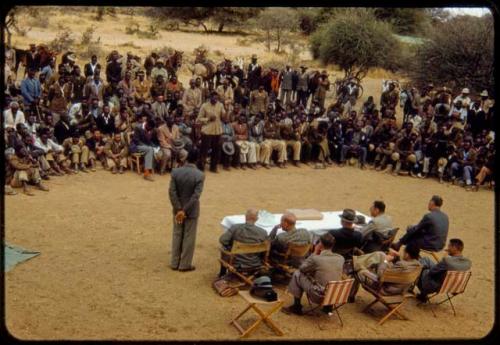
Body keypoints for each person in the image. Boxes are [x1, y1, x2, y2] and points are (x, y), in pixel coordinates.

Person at [282, 233, 344, 315]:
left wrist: (314, 252)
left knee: (297, 273)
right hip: (335, 295)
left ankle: (296, 306)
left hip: (319, 296)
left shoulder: (316, 259)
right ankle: (328, 307)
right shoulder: (341, 258)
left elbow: (302, 268)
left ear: (320, 244)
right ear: (332, 245)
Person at [169, 148, 205, 272]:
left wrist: (179, 209)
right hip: (191, 210)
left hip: (177, 209)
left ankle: (174, 262)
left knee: (177, 234)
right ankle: (184, 264)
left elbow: (172, 193)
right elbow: (196, 196)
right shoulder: (200, 175)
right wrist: (184, 210)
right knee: (189, 236)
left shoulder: (175, 172)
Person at [353, 243, 421, 296]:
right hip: (398, 288)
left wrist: (385, 261)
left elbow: (380, 275)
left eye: (404, 252)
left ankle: (354, 263)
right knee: (381, 254)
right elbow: (402, 269)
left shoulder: (402, 265)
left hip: (384, 288)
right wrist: (398, 257)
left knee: (360, 271)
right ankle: (356, 261)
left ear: (407, 255)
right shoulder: (418, 265)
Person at [218, 208, 268, 277]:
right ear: (257, 219)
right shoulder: (263, 232)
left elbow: (223, 240)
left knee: (223, 249)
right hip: (255, 263)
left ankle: (222, 274)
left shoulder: (235, 227)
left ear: (245, 217)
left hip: (237, 263)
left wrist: (230, 246)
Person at [196, 92, 225, 173]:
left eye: (217, 98)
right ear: (210, 97)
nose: (215, 100)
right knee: (204, 150)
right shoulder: (204, 106)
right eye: (214, 98)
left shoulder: (220, 105)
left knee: (216, 150)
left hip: (217, 131)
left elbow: (223, 116)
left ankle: (213, 167)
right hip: (207, 131)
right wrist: (208, 119)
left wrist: (224, 114)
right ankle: (201, 167)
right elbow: (199, 119)